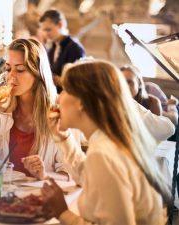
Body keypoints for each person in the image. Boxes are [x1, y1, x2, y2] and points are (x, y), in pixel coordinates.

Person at [43, 60, 171, 224]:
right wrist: (63, 138)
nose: (58, 99)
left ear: (82, 102)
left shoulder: (103, 152)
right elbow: (87, 176)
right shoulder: (107, 139)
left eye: (65, 91)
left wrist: (63, 213)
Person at [0, 38, 69, 180]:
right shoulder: (0, 110)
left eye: (20, 70)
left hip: (40, 197)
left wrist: (45, 175)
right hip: (2, 196)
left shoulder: (59, 114)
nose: (11, 77)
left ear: (38, 74)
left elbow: (71, 174)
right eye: (8, 69)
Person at [39, 9, 85, 92]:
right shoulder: (52, 48)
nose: (46, 34)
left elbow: (79, 82)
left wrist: (53, 78)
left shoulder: (74, 48)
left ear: (60, 24)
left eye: (49, 29)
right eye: (44, 30)